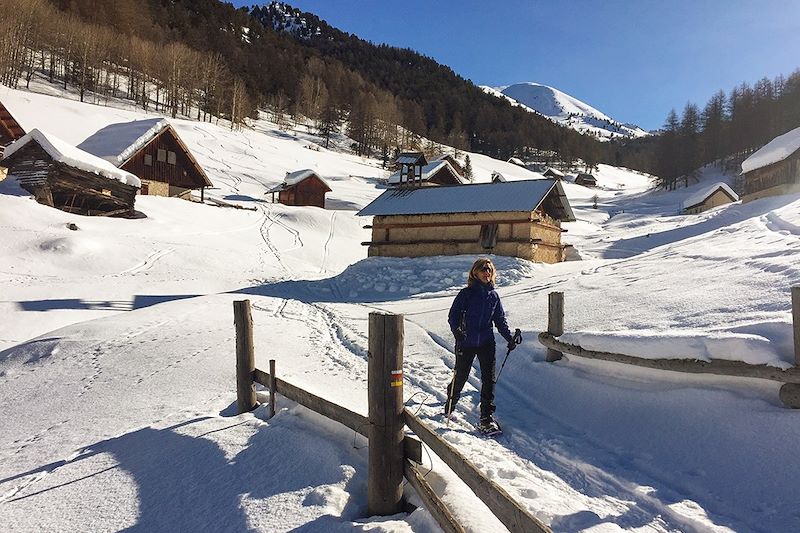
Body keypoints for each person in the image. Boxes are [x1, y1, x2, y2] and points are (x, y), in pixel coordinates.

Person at [446, 257, 516, 431]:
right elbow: (453, 315)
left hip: (486, 342)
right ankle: (449, 406)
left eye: (490, 270)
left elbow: (500, 319)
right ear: (475, 272)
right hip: (466, 341)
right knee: (461, 376)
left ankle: (486, 417)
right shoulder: (466, 294)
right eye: (484, 269)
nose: (487, 272)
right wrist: (456, 331)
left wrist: (509, 338)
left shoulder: (493, 296)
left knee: (488, 380)